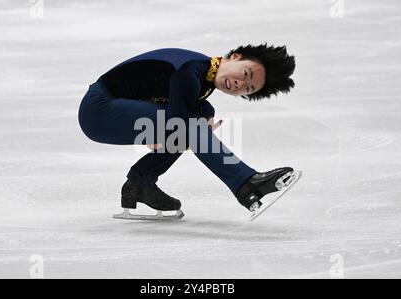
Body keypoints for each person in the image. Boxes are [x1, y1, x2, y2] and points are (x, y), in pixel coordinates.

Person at [78, 44, 299, 220]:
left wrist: (198, 120)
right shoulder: (191, 69)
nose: (240, 84)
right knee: (190, 125)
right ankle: (246, 184)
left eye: (248, 88)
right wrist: (184, 128)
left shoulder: (202, 78)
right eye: (245, 73)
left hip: (112, 108)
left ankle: (140, 184)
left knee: (194, 122)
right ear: (235, 56)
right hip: (99, 109)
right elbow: (179, 122)